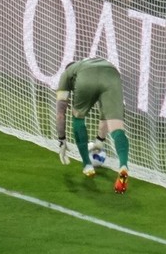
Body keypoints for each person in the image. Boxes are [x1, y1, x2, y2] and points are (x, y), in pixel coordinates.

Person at [55, 57, 132, 193]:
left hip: (86, 78)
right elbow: (104, 116)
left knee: (78, 118)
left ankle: (87, 165)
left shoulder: (67, 75)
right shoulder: (91, 62)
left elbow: (60, 114)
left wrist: (62, 139)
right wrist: (99, 140)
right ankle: (123, 166)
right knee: (117, 127)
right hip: (112, 74)